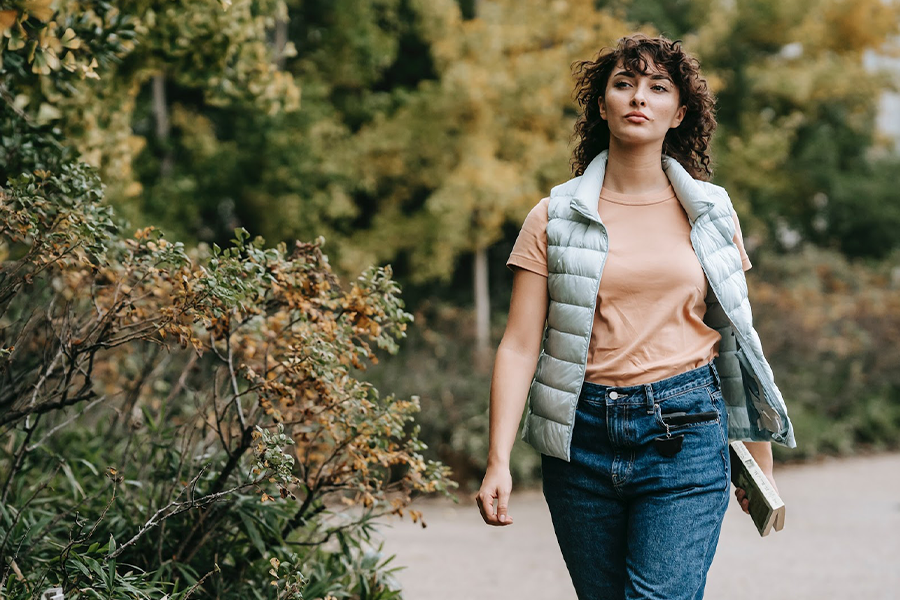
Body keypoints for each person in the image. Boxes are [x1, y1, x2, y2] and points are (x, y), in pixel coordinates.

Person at [474, 33, 795, 599]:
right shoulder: (554, 217)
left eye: (656, 87)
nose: (638, 98)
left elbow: (738, 339)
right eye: (623, 85)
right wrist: (497, 460)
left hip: (687, 430)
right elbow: (520, 345)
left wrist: (756, 460)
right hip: (581, 440)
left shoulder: (712, 212)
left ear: (679, 112)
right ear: (603, 106)